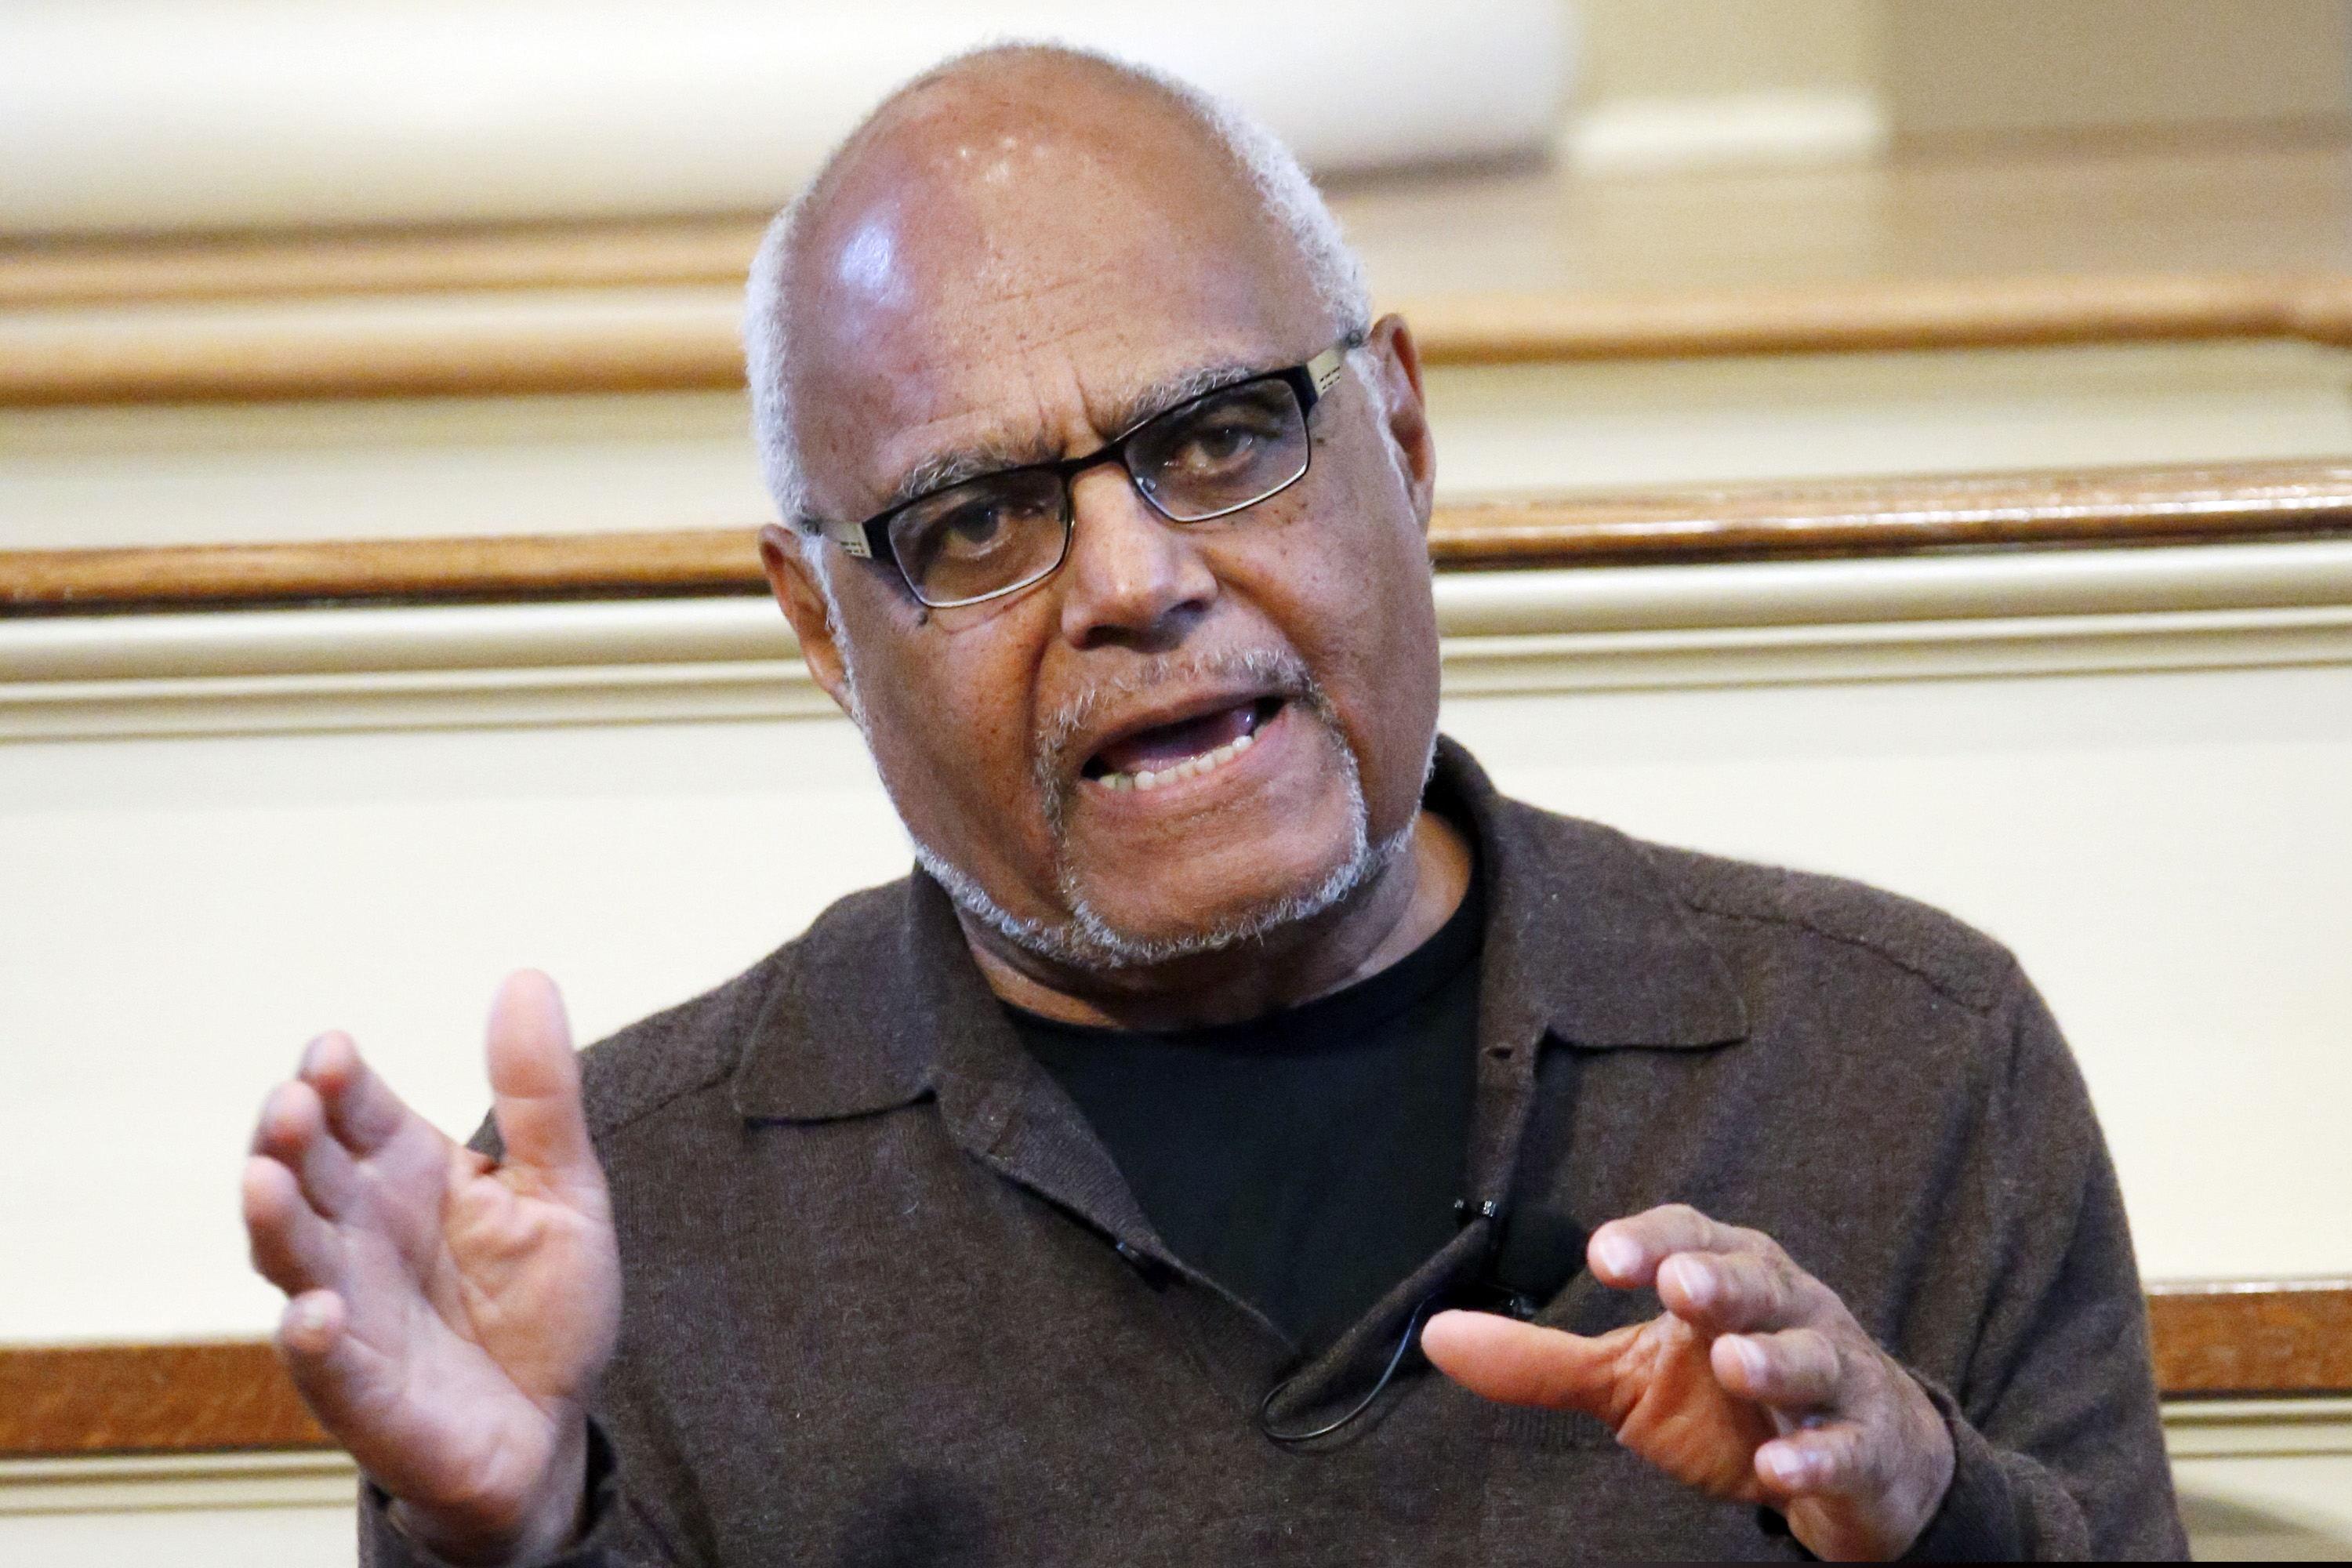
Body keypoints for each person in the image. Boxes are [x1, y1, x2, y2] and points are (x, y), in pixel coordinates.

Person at [241, 44, 2185, 1565]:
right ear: (826, 627)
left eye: (1221, 435)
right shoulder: (627, 1229)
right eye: (978, 519)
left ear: (1404, 441)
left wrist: (1932, 1512)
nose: (1133, 580)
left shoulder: (1904, 1066)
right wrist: (512, 1540)